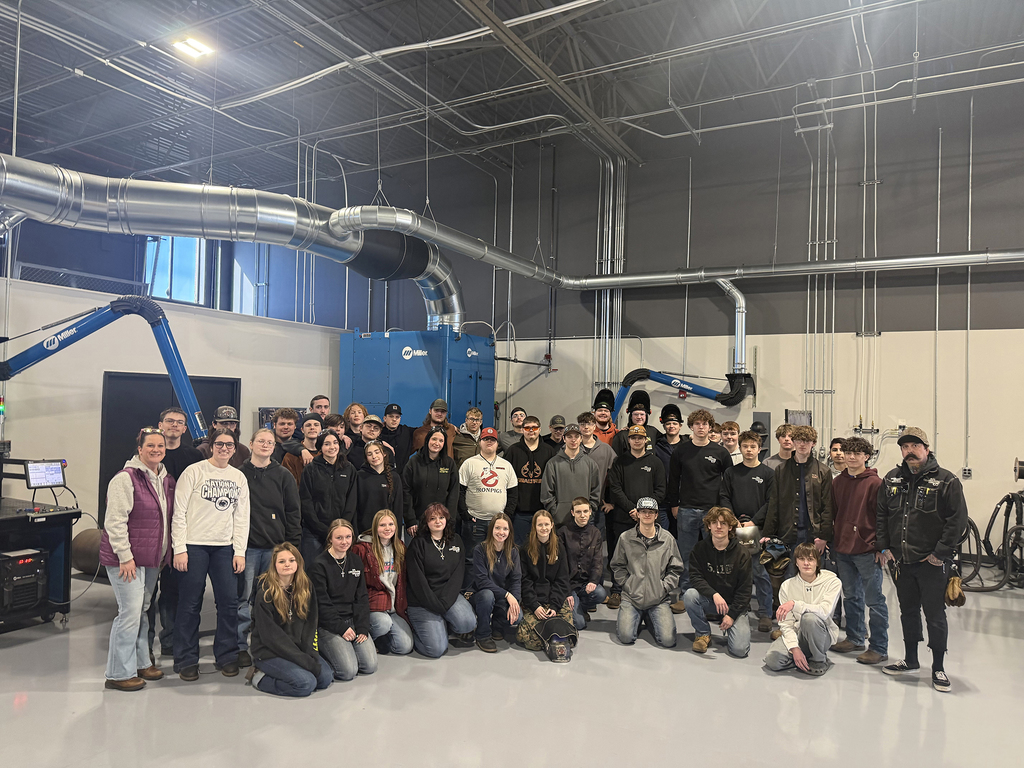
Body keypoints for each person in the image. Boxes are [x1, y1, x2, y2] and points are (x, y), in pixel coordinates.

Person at [878, 427, 967, 692]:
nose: (910, 452)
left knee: (935, 616)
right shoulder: (891, 479)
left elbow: (957, 521)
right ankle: (911, 660)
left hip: (932, 564)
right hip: (901, 563)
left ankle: (938, 667)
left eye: (915, 446)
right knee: (907, 612)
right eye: (905, 447)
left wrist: (940, 554)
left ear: (926, 449)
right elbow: (881, 515)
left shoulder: (947, 481)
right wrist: (884, 547)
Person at [171, 427, 250, 681]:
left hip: (224, 548)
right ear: (211, 445)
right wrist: (179, 548)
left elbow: (242, 517)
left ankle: (226, 656)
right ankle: (186, 659)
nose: (224, 448)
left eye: (229, 444)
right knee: (190, 603)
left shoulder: (238, 477)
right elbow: (179, 512)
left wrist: (239, 551)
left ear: (235, 448)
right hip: (194, 546)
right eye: (219, 443)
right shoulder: (194, 471)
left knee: (228, 602)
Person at [100, 427, 175, 691]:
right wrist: (125, 556)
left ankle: (141, 662)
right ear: (140, 449)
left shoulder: (165, 479)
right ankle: (118, 673)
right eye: (150, 446)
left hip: (152, 559)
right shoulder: (125, 478)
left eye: (160, 446)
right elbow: (115, 521)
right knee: (129, 613)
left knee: (142, 611)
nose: (156, 450)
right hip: (127, 560)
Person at [237, 428, 301, 667]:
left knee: (274, 599)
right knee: (243, 600)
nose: (265, 445)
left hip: (276, 549)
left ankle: (268, 643)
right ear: (251, 444)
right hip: (248, 549)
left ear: (274, 447)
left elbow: (294, 513)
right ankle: (241, 646)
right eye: (260, 441)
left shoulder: (283, 475)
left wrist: (291, 548)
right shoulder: (239, 474)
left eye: (270, 442)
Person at [150, 408, 203, 659]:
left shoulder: (194, 457)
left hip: (181, 533)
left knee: (172, 591)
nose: (174, 425)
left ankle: (170, 640)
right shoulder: (148, 455)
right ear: (160, 425)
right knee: (147, 594)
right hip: (151, 533)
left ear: (185, 429)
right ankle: (144, 646)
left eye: (179, 423)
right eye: (169, 421)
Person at [830, 436, 888, 665]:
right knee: (851, 596)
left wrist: (881, 547)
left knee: (874, 600)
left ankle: (879, 647)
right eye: (848, 453)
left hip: (867, 550)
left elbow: (883, 518)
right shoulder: (837, 482)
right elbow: (833, 513)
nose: (851, 457)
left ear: (866, 457)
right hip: (843, 548)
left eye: (857, 453)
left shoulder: (875, 483)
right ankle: (854, 638)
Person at [247, 543, 333, 697]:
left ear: (298, 562)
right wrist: (303, 660)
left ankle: (293, 668)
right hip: (270, 651)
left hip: (297, 649)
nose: (287, 564)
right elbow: (271, 637)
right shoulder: (265, 593)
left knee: (325, 679)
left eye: (291, 560)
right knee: (305, 684)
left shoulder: (306, 587)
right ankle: (259, 677)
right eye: (281, 561)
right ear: (274, 565)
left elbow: (310, 625)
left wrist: (310, 653)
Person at [666, 408, 732, 595]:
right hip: (686, 509)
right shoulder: (681, 450)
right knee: (686, 555)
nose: (701, 427)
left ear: (710, 427)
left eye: (704, 424)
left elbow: (728, 483)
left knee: (714, 553)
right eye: (697, 424)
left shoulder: (721, 452)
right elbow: (674, 479)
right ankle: (687, 590)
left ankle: (712, 591)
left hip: (713, 512)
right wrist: (674, 504)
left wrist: (724, 510)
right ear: (691, 426)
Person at [719, 430, 775, 633]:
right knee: (734, 571)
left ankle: (765, 613)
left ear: (759, 449)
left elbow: (771, 502)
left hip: (756, 529)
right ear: (740, 448)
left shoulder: (768, 474)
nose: (749, 450)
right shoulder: (731, 473)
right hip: (734, 528)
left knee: (759, 572)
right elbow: (724, 496)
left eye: (753, 447)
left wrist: (754, 521)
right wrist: (732, 519)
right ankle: (736, 609)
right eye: (745, 447)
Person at [606, 425, 667, 608]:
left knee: (646, 557)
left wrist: (644, 512)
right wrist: (632, 509)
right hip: (623, 517)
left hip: (647, 520)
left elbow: (660, 490)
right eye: (633, 438)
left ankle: (646, 590)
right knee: (620, 557)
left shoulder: (655, 463)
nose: (637, 441)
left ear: (645, 440)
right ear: (629, 440)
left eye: (640, 438)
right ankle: (617, 591)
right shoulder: (619, 462)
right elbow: (615, 489)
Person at [610, 497, 683, 648]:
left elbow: (676, 568)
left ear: (657, 515)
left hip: (658, 599)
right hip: (632, 598)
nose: (647, 515)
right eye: (643, 511)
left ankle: (650, 616)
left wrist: (663, 587)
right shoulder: (625, 538)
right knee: (626, 637)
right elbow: (617, 565)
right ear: (637, 514)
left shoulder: (667, 539)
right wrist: (627, 584)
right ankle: (641, 615)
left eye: (651, 512)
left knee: (668, 641)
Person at [405, 503, 476, 658]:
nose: (438, 521)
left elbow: (458, 575)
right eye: (433, 518)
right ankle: (415, 632)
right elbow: (417, 582)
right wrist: (436, 606)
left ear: (447, 519)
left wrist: (445, 603)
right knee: (436, 650)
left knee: (468, 623)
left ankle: (442, 622)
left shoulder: (456, 540)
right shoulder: (418, 544)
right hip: (422, 600)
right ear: (426, 522)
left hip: (446, 596)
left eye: (441, 517)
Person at [311, 519, 378, 682]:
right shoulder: (318, 565)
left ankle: (346, 650)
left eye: (348, 537)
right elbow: (322, 603)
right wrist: (341, 628)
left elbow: (361, 596)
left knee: (370, 666)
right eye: (339, 538)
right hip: (329, 625)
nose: (344, 542)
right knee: (348, 671)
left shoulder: (355, 561)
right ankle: (324, 654)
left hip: (353, 621)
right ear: (330, 539)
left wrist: (362, 627)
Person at [763, 543, 842, 676]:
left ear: (817, 562)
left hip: (821, 633)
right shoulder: (787, 586)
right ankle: (802, 658)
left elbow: (824, 611)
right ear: (796, 563)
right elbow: (786, 624)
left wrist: (795, 604)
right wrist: (794, 648)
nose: (806, 563)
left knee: (809, 618)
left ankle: (819, 659)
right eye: (802, 559)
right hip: (797, 633)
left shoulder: (832, 582)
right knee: (773, 661)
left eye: (811, 559)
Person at [683, 507, 752, 657]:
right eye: (714, 522)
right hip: (712, 600)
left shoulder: (742, 554)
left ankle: (731, 624)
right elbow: (695, 577)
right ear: (708, 526)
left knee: (739, 650)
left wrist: (732, 615)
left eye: (723, 523)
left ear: (730, 527)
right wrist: (714, 594)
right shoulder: (700, 549)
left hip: (734, 604)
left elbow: (745, 591)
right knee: (689, 595)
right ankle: (702, 633)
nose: (718, 527)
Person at [458, 426, 518, 590]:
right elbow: (459, 491)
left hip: (497, 524)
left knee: (497, 560)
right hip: (475, 522)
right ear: (480, 442)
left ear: (497, 443)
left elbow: (513, 494)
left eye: (492, 440)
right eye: (486, 440)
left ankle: (494, 594)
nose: (489, 443)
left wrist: (506, 517)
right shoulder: (469, 463)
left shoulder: (506, 465)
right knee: (471, 560)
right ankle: (469, 594)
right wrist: (465, 515)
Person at [763, 425, 833, 561]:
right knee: (789, 576)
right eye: (799, 440)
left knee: (813, 575)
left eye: (807, 441)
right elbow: (774, 503)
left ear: (813, 443)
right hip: (787, 533)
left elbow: (828, 507)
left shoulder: (823, 471)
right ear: (794, 442)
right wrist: (768, 533)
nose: (802, 444)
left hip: (814, 535)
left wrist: (824, 537)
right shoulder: (781, 470)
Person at [351, 509, 414, 655]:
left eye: (391, 524)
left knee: (404, 647)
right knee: (382, 623)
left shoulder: (400, 547)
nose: (387, 528)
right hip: (374, 606)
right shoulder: (361, 549)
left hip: (393, 606)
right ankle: (365, 642)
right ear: (375, 527)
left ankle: (381, 639)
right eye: (382, 525)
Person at [516, 510, 573, 651]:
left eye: (547, 524)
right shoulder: (526, 549)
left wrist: (554, 606)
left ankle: (550, 632)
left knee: (568, 639)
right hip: (534, 600)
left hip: (554, 598)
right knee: (531, 642)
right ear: (534, 527)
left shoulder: (559, 547)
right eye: (540, 524)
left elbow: (562, 579)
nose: (544, 528)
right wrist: (534, 606)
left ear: (552, 525)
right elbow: (525, 580)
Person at [299, 431, 356, 566]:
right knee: (312, 573)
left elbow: (352, 500)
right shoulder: (310, 469)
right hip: (313, 532)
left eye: (335, 443)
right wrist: (321, 529)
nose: (332, 447)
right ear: (320, 447)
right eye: (327, 444)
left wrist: (341, 527)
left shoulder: (349, 469)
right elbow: (305, 501)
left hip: (341, 533)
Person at [470, 513, 523, 652]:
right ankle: (482, 635)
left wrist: (515, 600)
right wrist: (507, 595)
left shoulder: (513, 552)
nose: (501, 532)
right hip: (482, 595)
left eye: (505, 529)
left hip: (501, 596)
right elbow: (482, 582)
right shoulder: (480, 550)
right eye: (497, 528)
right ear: (491, 530)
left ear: (509, 531)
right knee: (488, 595)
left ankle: (497, 626)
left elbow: (516, 580)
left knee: (518, 617)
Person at [504, 415, 558, 545]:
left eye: (534, 427)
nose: (531, 430)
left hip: (542, 512)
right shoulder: (513, 451)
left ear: (539, 430)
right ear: (522, 430)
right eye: (527, 428)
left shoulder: (549, 451)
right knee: (519, 548)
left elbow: (555, 481)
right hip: (519, 513)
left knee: (541, 548)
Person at [557, 498, 607, 629]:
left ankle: (581, 606)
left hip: (585, 584)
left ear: (590, 512)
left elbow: (598, 561)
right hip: (569, 585)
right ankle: (570, 606)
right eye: (578, 512)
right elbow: (560, 565)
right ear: (573, 513)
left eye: (585, 511)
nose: (582, 515)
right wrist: (567, 591)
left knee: (601, 593)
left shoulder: (595, 533)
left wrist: (594, 581)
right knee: (579, 624)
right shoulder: (563, 532)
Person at [403, 425, 459, 536]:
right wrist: (410, 520)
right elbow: (406, 491)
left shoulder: (449, 464)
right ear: (428, 440)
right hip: (417, 522)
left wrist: (448, 520)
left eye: (441, 440)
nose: (436, 443)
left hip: (441, 522)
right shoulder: (414, 462)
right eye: (434, 439)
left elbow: (454, 492)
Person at [540, 423, 600, 527]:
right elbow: (547, 493)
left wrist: (589, 512)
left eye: (577, 436)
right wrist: (555, 513)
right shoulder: (552, 463)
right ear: (564, 439)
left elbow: (596, 492)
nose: (573, 440)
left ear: (581, 438)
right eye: (569, 436)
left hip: (584, 521)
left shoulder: (591, 464)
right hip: (560, 522)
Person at [353, 440, 406, 534]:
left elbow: (397, 509)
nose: (374, 456)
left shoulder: (394, 477)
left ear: (384, 454)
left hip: (387, 532)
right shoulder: (359, 476)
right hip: (365, 532)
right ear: (366, 458)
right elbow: (355, 507)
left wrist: (396, 537)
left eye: (377, 452)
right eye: (370, 454)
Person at [577, 411, 616, 535]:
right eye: (583, 424)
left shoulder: (606, 450)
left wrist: (613, 502)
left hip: (597, 504)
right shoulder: (571, 449)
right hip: (576, 505)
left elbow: (617, 477)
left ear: (595, 426)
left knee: (595, 542)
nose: (586, 427)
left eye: (589, 424)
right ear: (579, 427)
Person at [654, 404, 685, 532]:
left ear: (680, 426)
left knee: (681, 537)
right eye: (668, 423)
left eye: (674, 423)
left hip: (682, 500)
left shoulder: (687, 446)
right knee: (661, 535)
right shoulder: (656, 446)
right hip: (662, 500)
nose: (671, 426)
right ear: (664, 426)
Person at [610, 390, 661, 456]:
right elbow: (615, 459)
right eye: (636, 414)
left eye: (642, 414)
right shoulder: (622, 435)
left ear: (646, 415)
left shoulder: (653, 432)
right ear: (631, 416)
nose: (639, 417)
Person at [282, 412, 322, 486]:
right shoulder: (291, 457)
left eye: (316, 425)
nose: (312, 427)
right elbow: (288, 486)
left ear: (321, 429)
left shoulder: (326, 454)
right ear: (302, 430)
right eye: (308, 425)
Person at [381, 403, 415, 473]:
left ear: (400, 419)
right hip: (383, 475)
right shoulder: (378, 433)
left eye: (397, 417)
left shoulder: (407, 431)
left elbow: (423, 432)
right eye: (391, 416)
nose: (394, 419)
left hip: (403, 476)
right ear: (385, 418)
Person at [452, 407, 484, 471]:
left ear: (480, 422)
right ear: (466, 420)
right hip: (461, 474)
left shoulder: (485, 437)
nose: (474, 422)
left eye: (477, 420)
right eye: (471, 419)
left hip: (480, 475)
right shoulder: (457, 436)